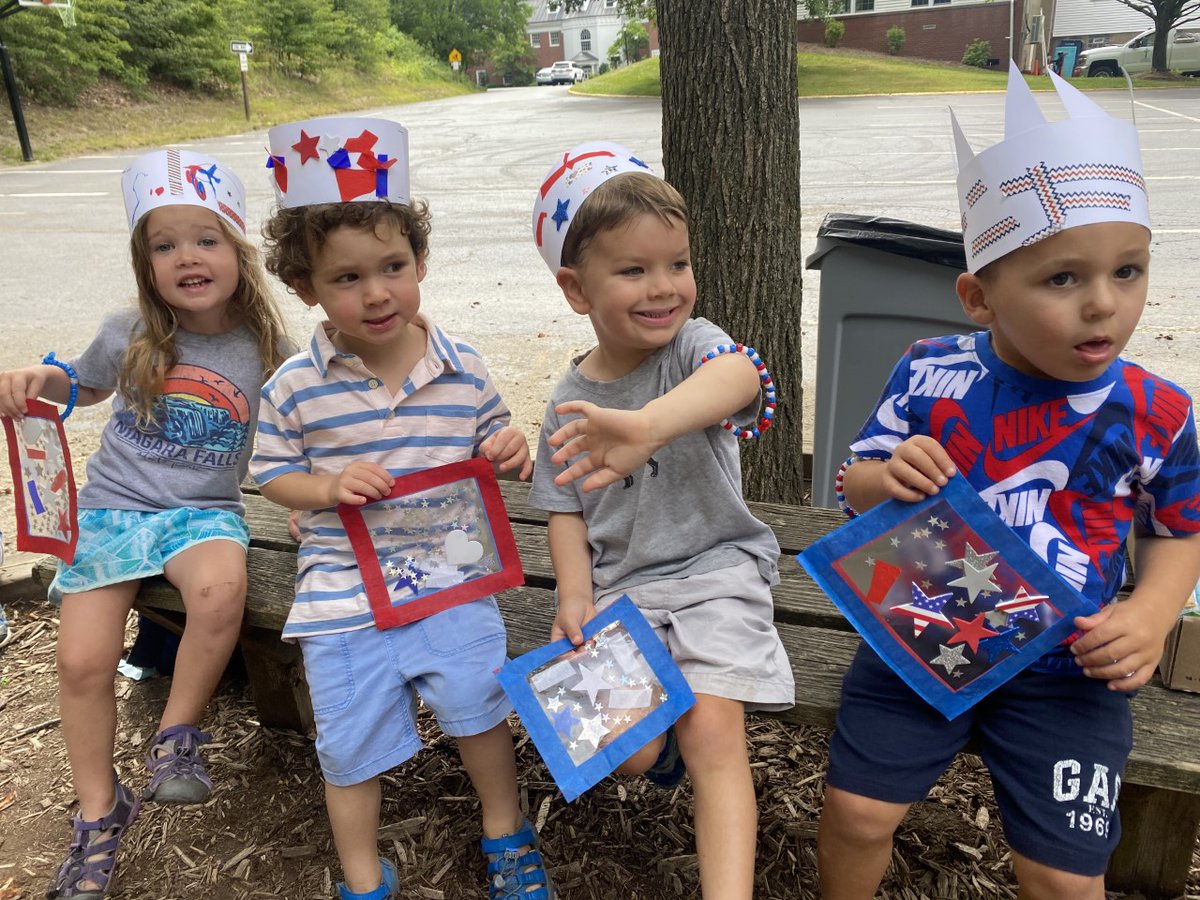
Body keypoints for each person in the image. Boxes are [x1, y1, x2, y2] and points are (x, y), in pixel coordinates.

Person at [817, 69, 1200, 899]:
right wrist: (892, 476)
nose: (1103, 305)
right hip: (924, 630)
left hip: (1071, 671)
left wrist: (1152, 611)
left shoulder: (1158, 410)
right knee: (855, 814)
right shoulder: (928, 373)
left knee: (1065, 881)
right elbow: (853, 483)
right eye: (1063, 278)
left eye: (1128, 271)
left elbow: (1178, 527)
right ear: (978, 297)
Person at [250, 116, 552, 900]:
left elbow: (493, 443)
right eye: (347, 278)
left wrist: (509, 449)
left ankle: (505, 832)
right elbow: (273, 473)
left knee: (479, 707)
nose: (377, 291)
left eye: (393, 265)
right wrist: (324, 488)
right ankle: (362, 875)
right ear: (305, 286)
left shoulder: (462, 367)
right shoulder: (294, 388)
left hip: (451, 580)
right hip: (343, 591)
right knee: (345, 741)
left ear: (420, 262)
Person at [0, 148, 289, 899]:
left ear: (237, 251)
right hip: (113, 513)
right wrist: (40, 379)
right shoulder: (129, 328)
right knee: (82, 664)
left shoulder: (265, 346)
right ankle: (100, 811)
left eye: (205, 239)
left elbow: (311, 416)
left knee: (222, 594)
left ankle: (177, 736)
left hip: (202, 513)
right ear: (145, 262)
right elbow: (84, 385)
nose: (186, 256)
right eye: (164, 245)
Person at [527, 141, 795, 900]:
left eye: (676, 263)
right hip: (623, 583)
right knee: (624, 749)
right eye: (634, 270)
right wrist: (573, 595)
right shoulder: (568, 396)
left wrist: (647, 424)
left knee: (713, 729)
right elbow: (562, 507)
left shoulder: (692, 349)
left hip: (717, 570)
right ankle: (663, 754)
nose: (664, 288)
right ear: (577, 289)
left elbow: (743, 377)